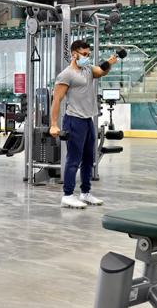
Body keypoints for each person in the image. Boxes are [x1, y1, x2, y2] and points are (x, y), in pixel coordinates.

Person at [50, 40, 118, 209]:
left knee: (89, 159)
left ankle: (85, 193)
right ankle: (67, 195)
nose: (87, 57)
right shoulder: (66, 74)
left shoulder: (87, 69)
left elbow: (101, 72)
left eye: (89, 54)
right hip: (74, 120)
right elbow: (56, 99)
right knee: (73, 160)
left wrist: (110, 62)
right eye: (85, 54)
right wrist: (53, 124)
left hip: (88, 120)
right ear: (74, 54)